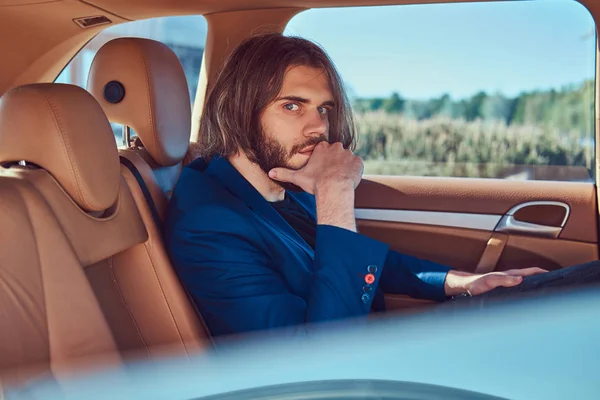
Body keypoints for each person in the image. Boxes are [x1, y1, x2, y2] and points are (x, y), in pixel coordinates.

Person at [164, 33, 600, 339]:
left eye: (324, 109)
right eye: (292, 106)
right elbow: (319, 359)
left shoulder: (275, 182)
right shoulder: (208, 224)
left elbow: (368, 263)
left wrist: (462, 281)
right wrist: (336, 197)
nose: (319, 127)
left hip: (382, 341)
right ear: (240, 109)